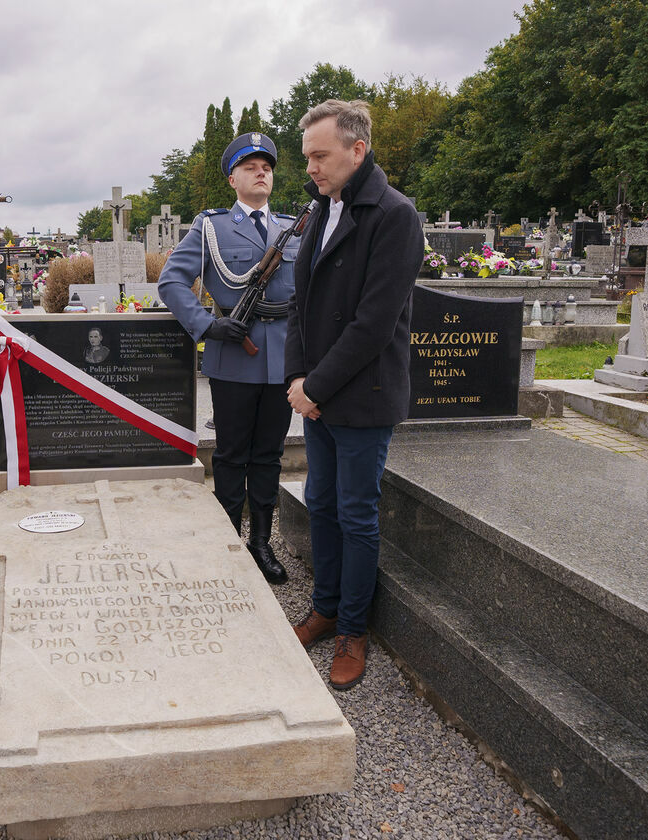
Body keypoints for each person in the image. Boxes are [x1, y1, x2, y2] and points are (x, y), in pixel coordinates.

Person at [284, 99, 422, 690]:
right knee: (321, 504)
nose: (311, 167)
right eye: (307, 157)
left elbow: (374, 322)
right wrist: (298, 380)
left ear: (356, 149)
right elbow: (301, 303)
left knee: (357, 513)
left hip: (361, 394)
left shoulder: (394, 215)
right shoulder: (320, 211)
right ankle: (325, 606)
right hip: (317, 395)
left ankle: (353, 630)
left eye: (320, 155)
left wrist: (314, 385)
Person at [159, 132, 300, 585]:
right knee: (233, 453)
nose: (262, 172)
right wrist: (206, 326)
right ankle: (228, 540)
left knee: (270, 454)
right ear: (233, 178)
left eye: (267, 166)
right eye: (251, 166)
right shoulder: (212, 227)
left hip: (284, 356)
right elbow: (172, 282)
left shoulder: (294, 227)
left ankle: (261, 542)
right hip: (233, 354)